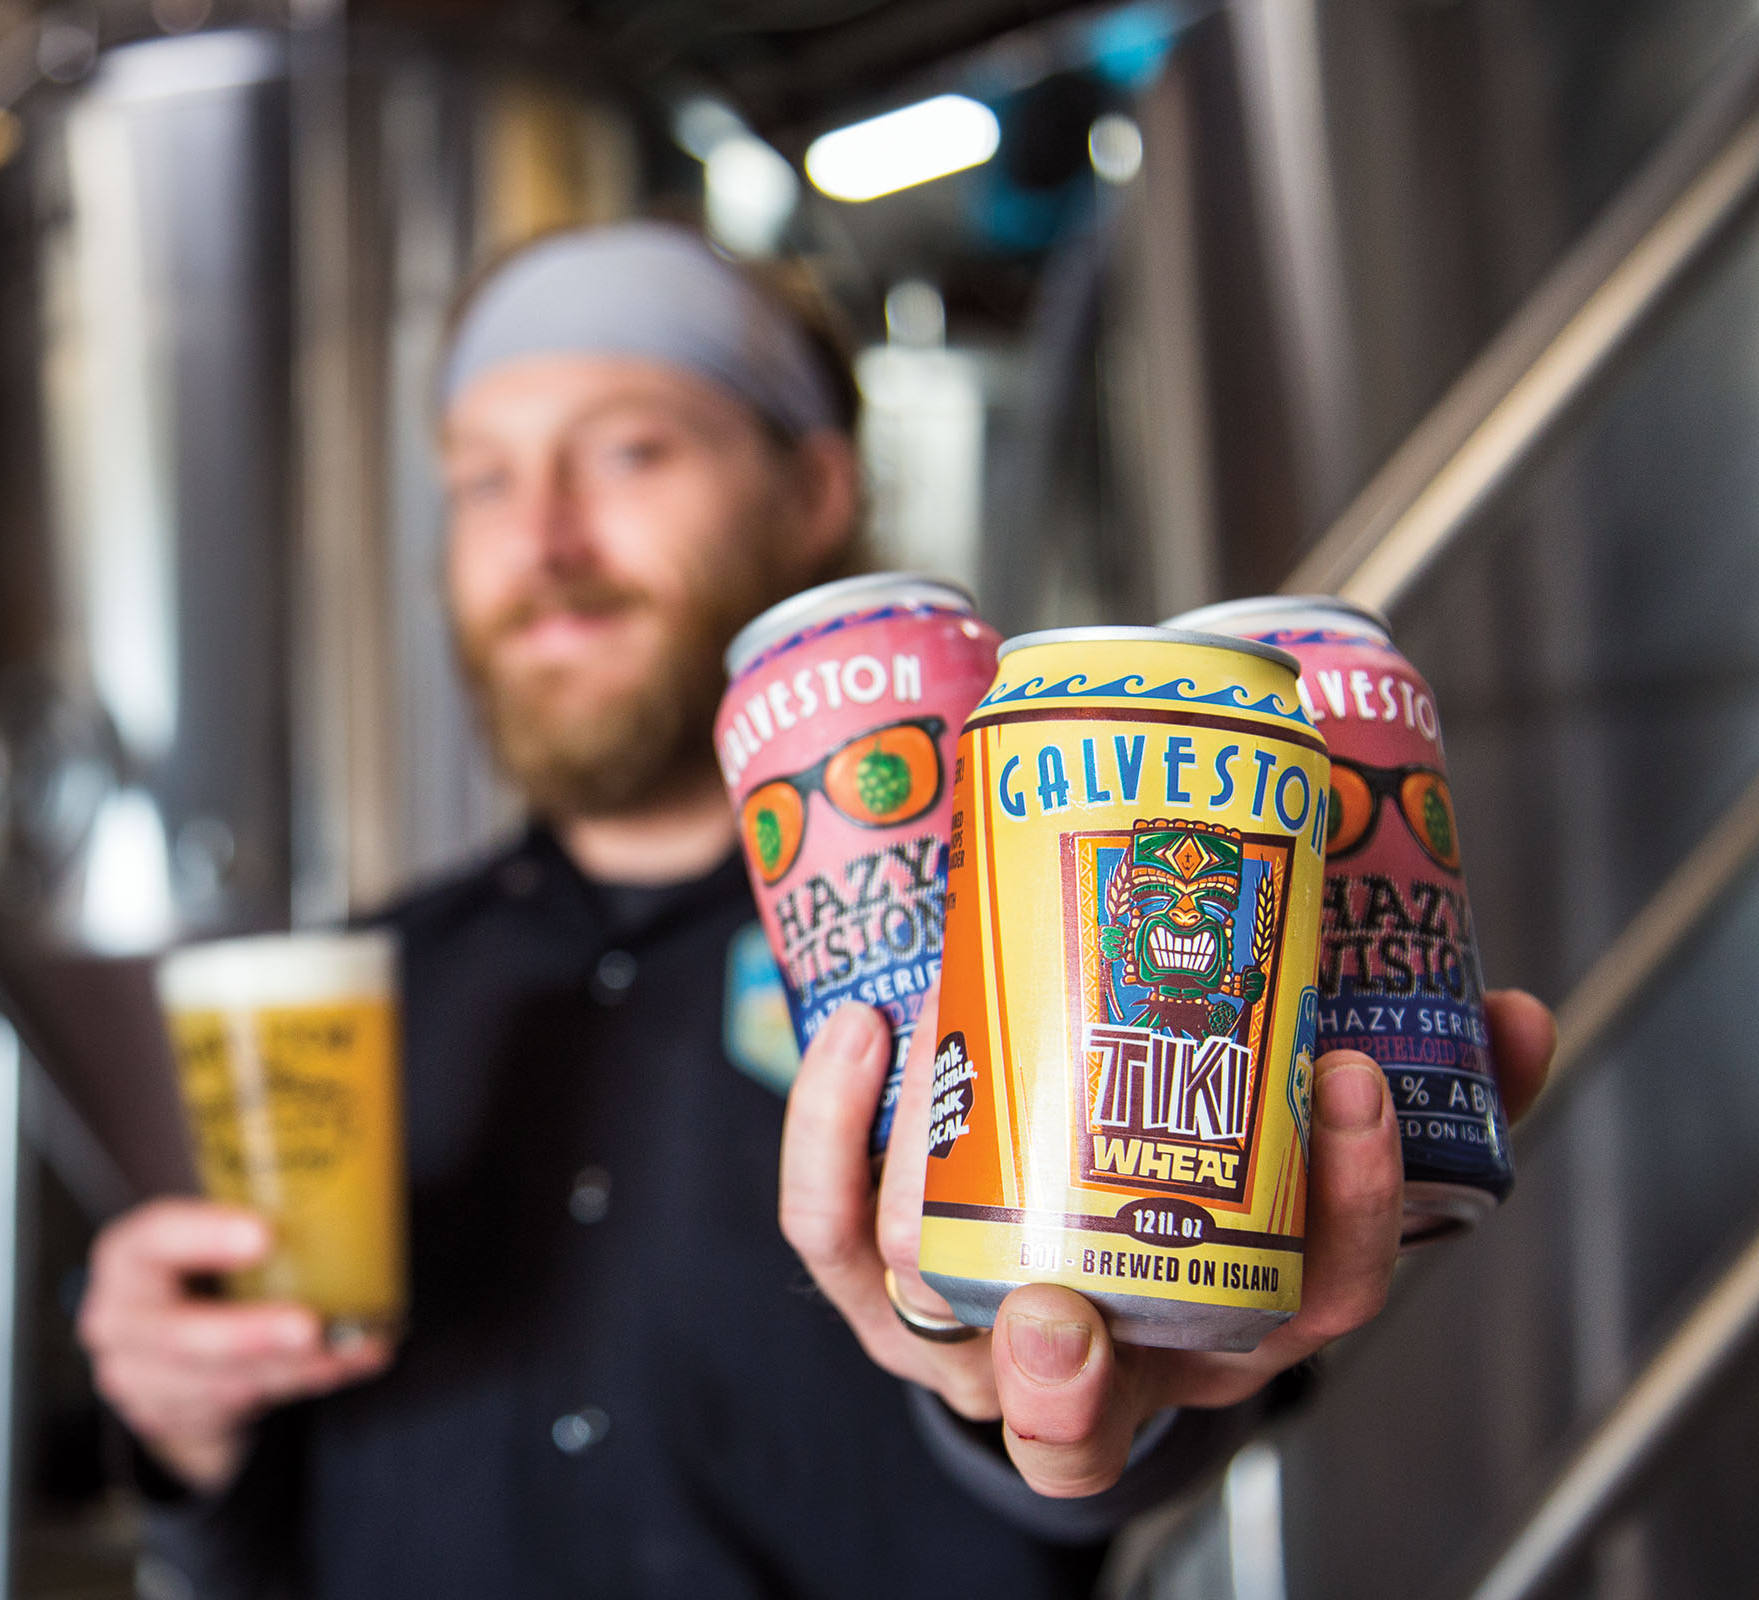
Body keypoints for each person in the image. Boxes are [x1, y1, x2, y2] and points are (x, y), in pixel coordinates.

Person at [75, 221, 1557, 1597]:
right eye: (481, 479)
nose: (544, 538)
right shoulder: (369, 989)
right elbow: (259, 1542)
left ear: (814, 492)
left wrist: (1076, 1389)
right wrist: (187, 1425)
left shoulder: (1044, 933)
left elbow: (1122, 1451)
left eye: (629, 452)